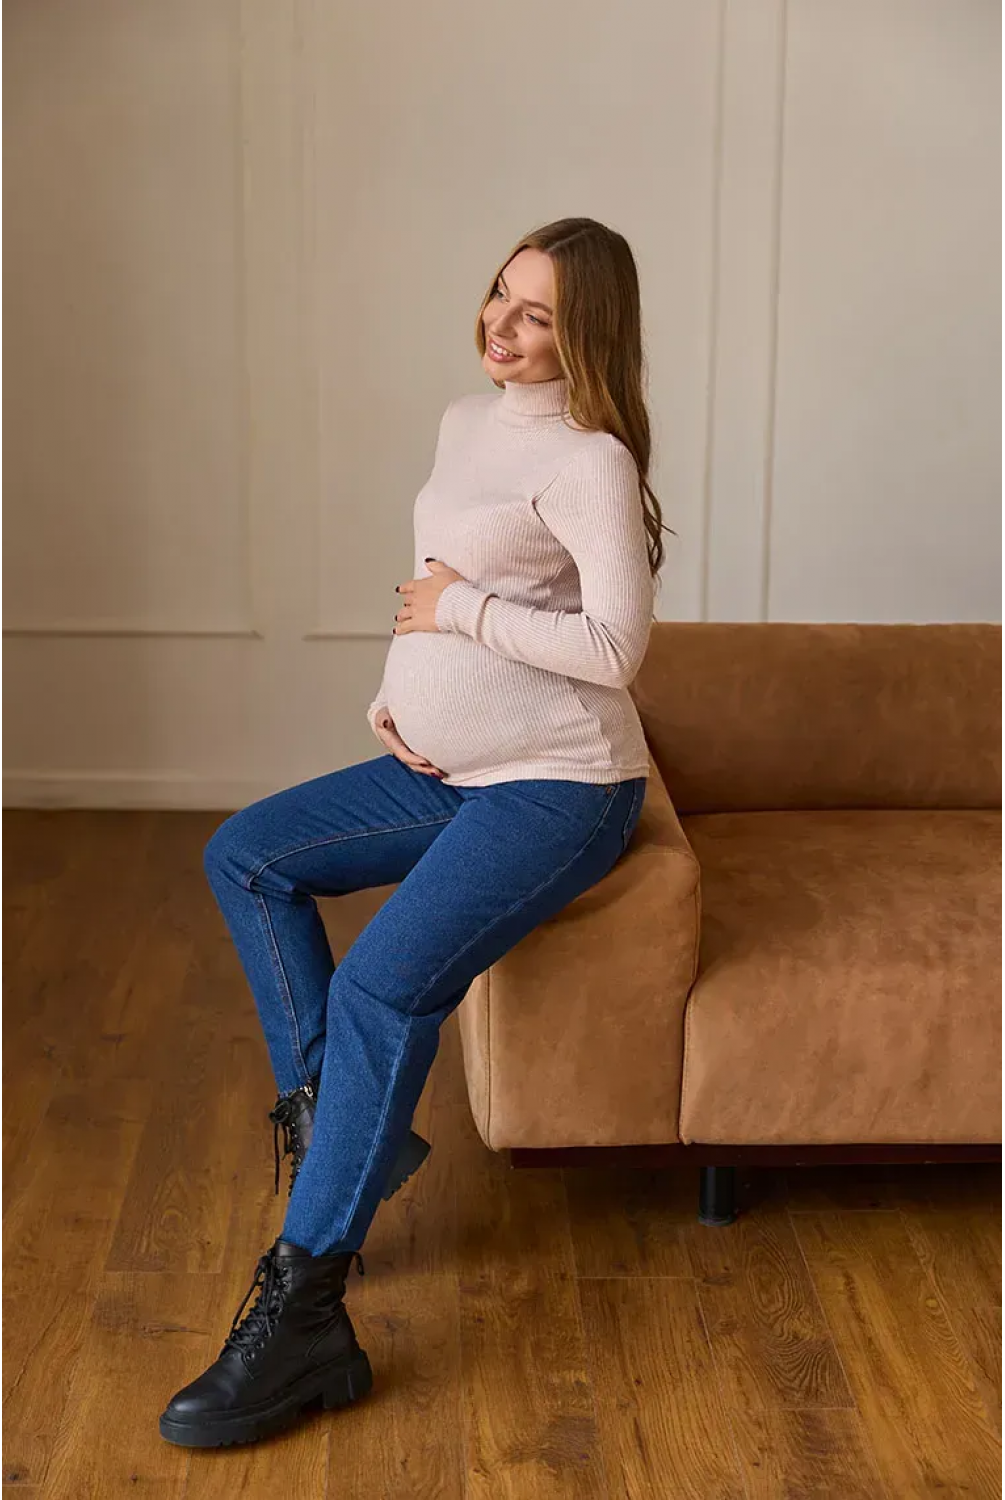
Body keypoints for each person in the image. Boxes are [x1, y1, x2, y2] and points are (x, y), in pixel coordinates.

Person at [158, 216, 673, 1448]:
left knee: (384, 988)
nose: (502, 323)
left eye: (538, 314)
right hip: (453, 766)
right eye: (500, 293)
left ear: (587, 334)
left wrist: (463, 614)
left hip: (560, 788)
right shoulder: (463, 423)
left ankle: (305, 1319)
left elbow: (614, 648)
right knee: (248, 855)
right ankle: (342, 1130)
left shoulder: (591, 461)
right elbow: (433, 588)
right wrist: (400, 694)